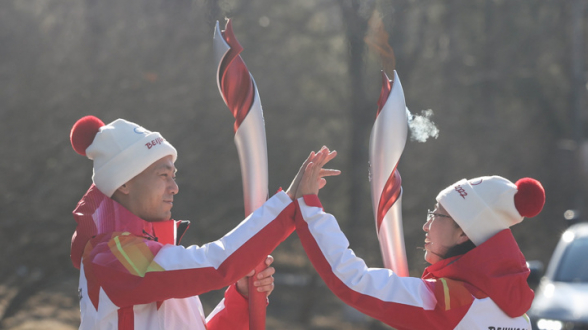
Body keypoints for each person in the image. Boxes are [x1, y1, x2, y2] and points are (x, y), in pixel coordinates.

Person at [69, 116, 338, 329]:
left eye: (174, 176)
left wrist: (241, 297)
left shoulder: (163, 262)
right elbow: (215, 263)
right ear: (124, 183)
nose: (174, 187)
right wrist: (288, 203)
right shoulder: (110, 256)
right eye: (163, 175)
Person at [291, 147, 545, 330]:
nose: (426, 225)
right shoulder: (519, 318)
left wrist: (310, 207)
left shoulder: (452, 303)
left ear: (463, 233)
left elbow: (354, 281)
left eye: (436, 215)